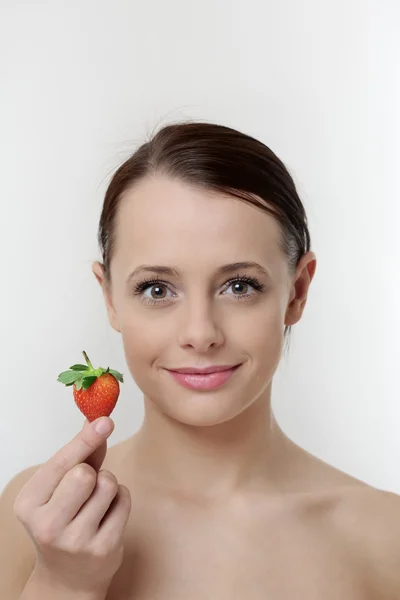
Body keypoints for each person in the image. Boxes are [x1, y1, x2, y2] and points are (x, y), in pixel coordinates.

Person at [1, 122, 399, 600]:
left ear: (297, 291)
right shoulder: (39, 518)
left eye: (239, 286)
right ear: (109, 298)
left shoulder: (384, 537)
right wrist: (63, 583)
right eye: (157, 289)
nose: (200, 334)